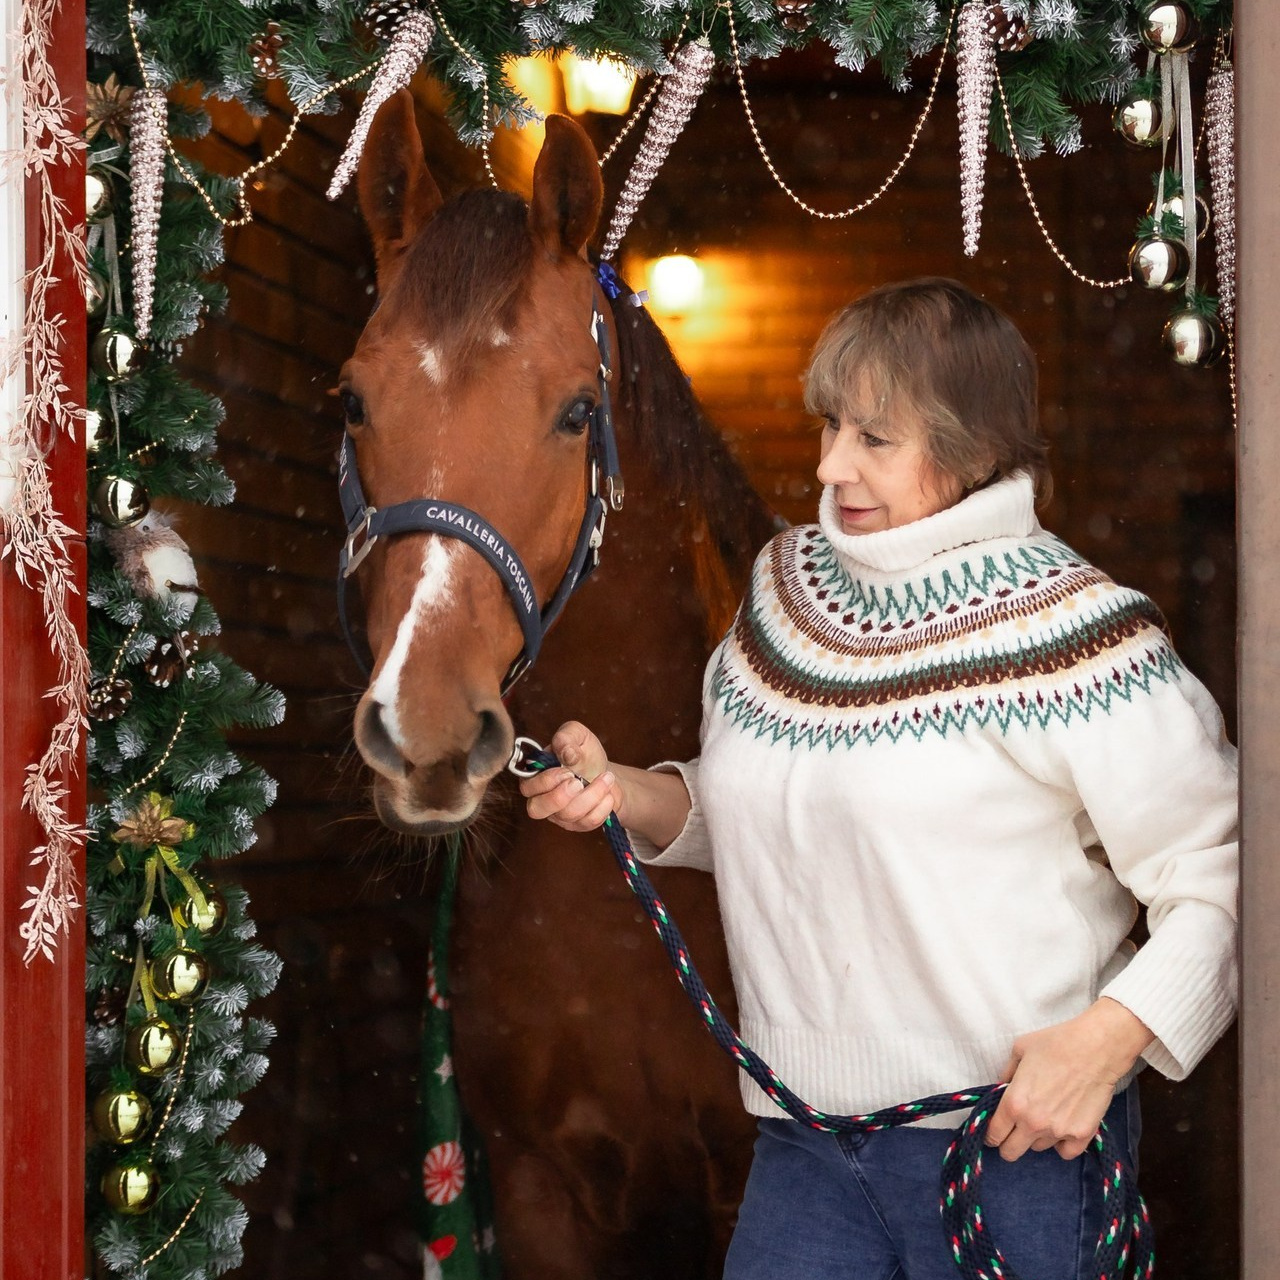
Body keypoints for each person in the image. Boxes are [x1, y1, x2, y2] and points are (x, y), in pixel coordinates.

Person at [517, 278, 1238, 1280]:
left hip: (1011, 1158)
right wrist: (624, 793)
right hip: (801, 1156)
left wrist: (1108, 1041)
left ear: (969, 444)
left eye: (873, 437)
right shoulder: (779, 593)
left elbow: (1228, 874)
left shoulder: (1080, 637)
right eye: (828, 424)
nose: (827, 463)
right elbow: (778, 818)